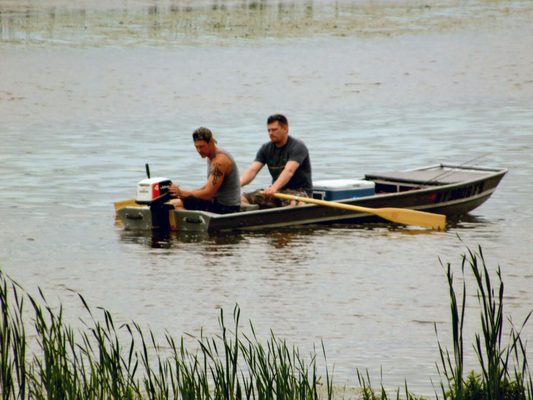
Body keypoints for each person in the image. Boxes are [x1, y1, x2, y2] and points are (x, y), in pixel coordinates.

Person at [240, 114, 312, 207]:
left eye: (274, 130)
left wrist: (274, 188)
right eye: (268, 130)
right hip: (277, 192)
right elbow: (252, 171)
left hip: (300, 193)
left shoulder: (297, 147)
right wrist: (236, 185)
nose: (270, 133)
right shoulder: (265, 148)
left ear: (285, 129)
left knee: (294, 204)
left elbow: (289, 171)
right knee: (240, 199)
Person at [168, 127, 241, 214]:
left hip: (226, 208)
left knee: (174, 204)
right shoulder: (210, 156)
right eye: (196, 147)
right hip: (216, 203)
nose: (199, 150)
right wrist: (181, 193)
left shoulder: (219, 162)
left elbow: (208, 194)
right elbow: (206, 187)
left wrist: (183, 193)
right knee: (177, 199)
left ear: (211, 142)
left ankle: (189, 226)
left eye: (202, 146)